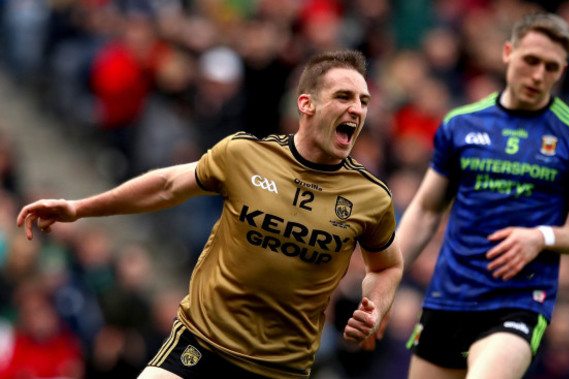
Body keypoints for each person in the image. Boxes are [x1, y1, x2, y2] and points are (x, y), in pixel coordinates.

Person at [16, 50, 403, 379]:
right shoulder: (244, 155)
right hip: (202, 343)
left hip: (279, 369)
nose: (357, 108)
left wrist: (376, 306)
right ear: (307, 104)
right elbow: (167, 185)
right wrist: (80, 208)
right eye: (344, 96)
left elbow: (386, 266)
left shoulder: (370, 197)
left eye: (364, 101)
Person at [396, 12, 569, 379]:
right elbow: (427, 209)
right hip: (449, 297)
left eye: (551, 67)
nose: (539, 75)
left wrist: (542, 237)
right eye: (531, 60)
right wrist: (385, 283)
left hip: (518, 302)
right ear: (508, 52)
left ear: (563, 70)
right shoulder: (461, 124)